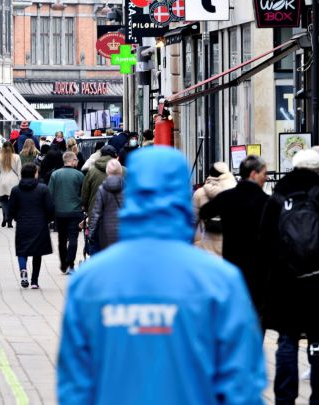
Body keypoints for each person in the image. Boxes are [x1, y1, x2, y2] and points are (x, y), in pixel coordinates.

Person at [57, 147, 266, 405]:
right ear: (182, 192)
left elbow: (74, 386)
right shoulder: (220, 282)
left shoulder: (89, 282)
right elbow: (241, 386)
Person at [260, 149, 319, 404]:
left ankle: (284, 397)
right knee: (317, 342)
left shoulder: (280, 191)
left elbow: (264, 236)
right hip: (317, 279)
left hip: (286, 280)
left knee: (287, 341)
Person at [199, 156, 268, 311]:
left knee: (234, 303)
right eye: (264, 173)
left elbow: (204, 212)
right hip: (258, 263)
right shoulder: (266, 201)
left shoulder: (227, 197)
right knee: (257, 307)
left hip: (232, 258)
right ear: (253, 174)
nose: (267, 177)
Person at [9, 163, 55, 289]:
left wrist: (16, 218)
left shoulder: (16, 190)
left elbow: (11, 209)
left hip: (23, 224)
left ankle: (23, 270)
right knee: (37, 253)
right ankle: (34, 281)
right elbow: (50, 208)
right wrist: (48, 220)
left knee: (22, 250)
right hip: (39, 224)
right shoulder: (43, 189)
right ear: (35, 173)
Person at [48, 152, 85, 273]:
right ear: (72, 160)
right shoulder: (79, 175)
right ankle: (70, 264)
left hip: (59, 212)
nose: (78, 162)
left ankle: (63, 263)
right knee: (73, 238)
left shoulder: (55, 174)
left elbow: (50, 194)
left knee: (62, 239)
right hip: (75, 211)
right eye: (76, 160)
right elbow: (83, 193)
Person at [192, 162, 237, 256]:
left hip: (206, 246)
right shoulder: (235, 193)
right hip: (230, 246)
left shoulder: (200, 193)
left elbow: (192, 221)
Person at [88, 159, 124, 253]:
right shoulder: (127, 188)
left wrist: (91, 233)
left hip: (105, 232)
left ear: (107, 171)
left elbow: (96, 213)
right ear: (120, 170)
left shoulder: (102, 189)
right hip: (123, 230)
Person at [82, 145, 119, 216]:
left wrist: (87, 209)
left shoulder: (92, 172)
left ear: (101, 155)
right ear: (115, 156)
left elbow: (85, 195)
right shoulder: (124, 171)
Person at [0, 142, 22, 228]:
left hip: (2, 180)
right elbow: (19, 171)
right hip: (14, 181)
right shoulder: (17, 157)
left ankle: (5, 216)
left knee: (3, 201)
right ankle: (10, 221)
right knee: (13, 202)